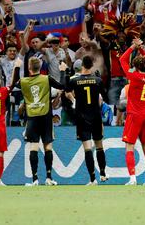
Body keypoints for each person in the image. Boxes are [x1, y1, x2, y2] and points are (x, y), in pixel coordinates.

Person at [13, 57, 67, 186]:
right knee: (48, 147)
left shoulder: (24, 81)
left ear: (29, 68)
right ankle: (49, 177)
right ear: (40, 67)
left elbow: (14, 83)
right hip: (46, 118)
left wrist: (17, 67)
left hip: (32, 118)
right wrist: (63, 71)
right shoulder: (46, 79)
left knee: (34, 147)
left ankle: (35, 179)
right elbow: (62, 86)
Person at [65, 55, 108, 185]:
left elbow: (66, 91)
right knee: (99, 146)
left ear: (82, 65)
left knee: (87, 148)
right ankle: (103, 173)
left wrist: (66, 74)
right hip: (96, 116)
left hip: (82, 117)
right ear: (92, 65)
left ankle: (92, 179)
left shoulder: (75, 81)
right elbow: (104, 97)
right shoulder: (98, 80)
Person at [120, 38, 145, 186]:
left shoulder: (133, 76)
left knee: (129, 146)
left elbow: (123, 60)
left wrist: (133, 46)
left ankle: (133, 178)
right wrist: (141, 48)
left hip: (134, 115)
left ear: (135, 67)